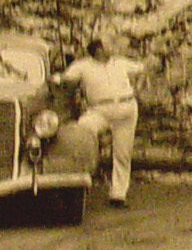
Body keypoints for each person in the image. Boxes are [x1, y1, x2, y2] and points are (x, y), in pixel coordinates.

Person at [58, 35, 146, 207]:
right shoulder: (82, 66)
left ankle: (118, 195)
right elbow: (64, 80)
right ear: (98, 50)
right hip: (99, 111)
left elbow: (143, 69)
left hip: (126, 108)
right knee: (80, 131)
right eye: (108, 46)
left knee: (123, 153)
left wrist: (138, 89)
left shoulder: (119, 62)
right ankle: (80, 177)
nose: (112, 49)